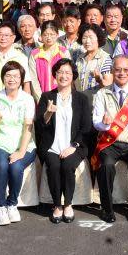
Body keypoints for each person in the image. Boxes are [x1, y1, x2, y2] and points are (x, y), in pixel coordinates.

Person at [91, 55, 128, 223]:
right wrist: (104, 124)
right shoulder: (103, 93)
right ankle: (107, 209)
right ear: (112, 71)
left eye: (126, 70)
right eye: (117, 70)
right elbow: (96, 122)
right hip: (110, 143)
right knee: (106, 166)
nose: (122, 73)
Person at [35, 59, 93, 223]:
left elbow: (86, 126)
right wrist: (48, 114)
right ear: (55, 75)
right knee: (53, 166)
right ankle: (57, 205)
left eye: (67, 72)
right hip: (52, 145)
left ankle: (67, 203)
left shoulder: (81, 98)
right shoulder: (47, 96)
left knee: (67, 166)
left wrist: (74, 146)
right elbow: (39, 126)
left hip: (75, 145)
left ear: (73, 75)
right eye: (60, 72)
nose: (64, 76)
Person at [0, 61, 37, 226]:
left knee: (16, 166)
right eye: (8, 75)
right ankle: (0, 205)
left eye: (16, 76)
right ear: (3, 78)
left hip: (24, 144)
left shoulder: (28, 99)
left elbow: (28, 128)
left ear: (21, 79)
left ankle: (12, 203)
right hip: (0, 143)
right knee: (2, 165)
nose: (12, 79)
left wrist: (21, 152)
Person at [29, 20, 70, 103]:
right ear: (41, 36)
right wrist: (41, 99)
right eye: (45, 35)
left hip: (62, 99)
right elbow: (33, 79)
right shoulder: (35, 54)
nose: (49, 37)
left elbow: (69, 76)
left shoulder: (64, 53)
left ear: (57, 35)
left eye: (52, 34)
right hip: (41, 99)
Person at [75, 24, 113, 95]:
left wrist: (100, 80)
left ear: (98, 38)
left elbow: (109, 85)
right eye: (85, 37)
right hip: (80, 101)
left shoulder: (105, 58)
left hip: (97, 102)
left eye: (91, 37)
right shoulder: (79, 59)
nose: (87, 41)